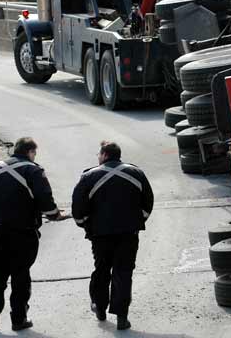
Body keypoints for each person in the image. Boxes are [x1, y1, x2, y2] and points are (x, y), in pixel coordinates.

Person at [0, 137, 66, 331]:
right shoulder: (33, 170)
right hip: (23, 232)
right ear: (30, 152)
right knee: (20, 274)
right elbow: (45, 200)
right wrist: (55, 215)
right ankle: (18, 319)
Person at [72, 141, 153, 331]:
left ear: (104, 155)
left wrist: (85, 225)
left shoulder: (88, 176)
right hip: (128, 233)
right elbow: (148, 201)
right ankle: (122, 317)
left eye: (99, 154)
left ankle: (99, 307)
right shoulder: (136, 173)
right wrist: (137, 221)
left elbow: (78, 207)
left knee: (101, 269)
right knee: (123, 273)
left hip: (100, 235)